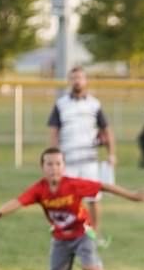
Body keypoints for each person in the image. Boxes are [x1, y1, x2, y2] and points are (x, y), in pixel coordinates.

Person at [0, 147, 144, 270]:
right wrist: (1, 211)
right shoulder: (39, 189)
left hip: (83, 233)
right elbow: (19, 201)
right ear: (42, 167)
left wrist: (132, 196)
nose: (54, 168)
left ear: (64, 167)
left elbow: (103, 187)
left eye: (58, 164)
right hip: (60, 237)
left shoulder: (73, 184)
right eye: (49, 164)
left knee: (89, 268)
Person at [48, 66, 116, 238]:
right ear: (69, 81)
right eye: (73, 78)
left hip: (89, 159)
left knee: (93, 198)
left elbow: (106, 129)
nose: (77, 81)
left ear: (85, 81)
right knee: (67, 199)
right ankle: (70, 231)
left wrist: (111, 153)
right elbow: (54, 131)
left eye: (80, 78)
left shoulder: (94, 104)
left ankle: (95, 232)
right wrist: (54, 157)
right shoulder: (61, 104)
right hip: (68, 160)